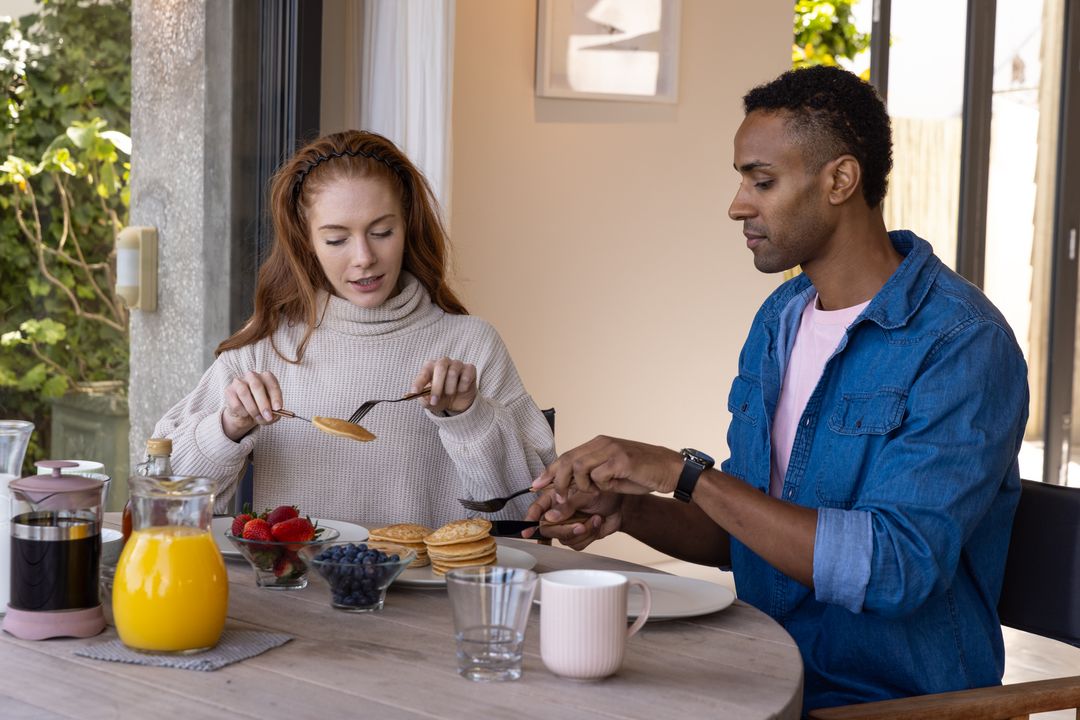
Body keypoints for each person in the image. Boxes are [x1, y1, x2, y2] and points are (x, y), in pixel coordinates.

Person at [525, 66, 1028, 713]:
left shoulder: (961, 344)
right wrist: (631, 508)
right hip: (759, 673)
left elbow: (895, 570)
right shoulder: (781, 320)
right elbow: (749, 534)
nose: (738, 204)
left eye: (761, 181)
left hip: (882, 701)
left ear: (840, 180)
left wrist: (682, 471)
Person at [154, 130, 556, 528]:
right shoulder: (265, 349)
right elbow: (161, 497)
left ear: (408, 226)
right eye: (336, 239)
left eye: (382, 233)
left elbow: (532, 515)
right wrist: (228, 428)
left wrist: (470, 416)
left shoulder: (472, 346)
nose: (364, 257)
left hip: (430, 591)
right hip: (292, 590)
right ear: (306, 241)